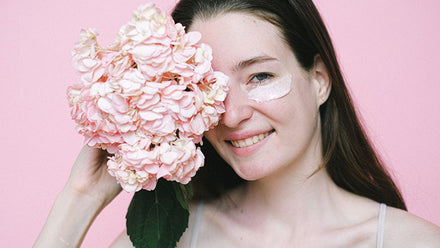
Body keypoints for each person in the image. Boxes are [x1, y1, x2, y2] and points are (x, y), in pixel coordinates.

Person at [35, 0, 440, 247]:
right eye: (207, 87)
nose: (230, 115)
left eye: (260, 77)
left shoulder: (411, 242)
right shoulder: (175, 239)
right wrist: (81, 197)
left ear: (319, 80)